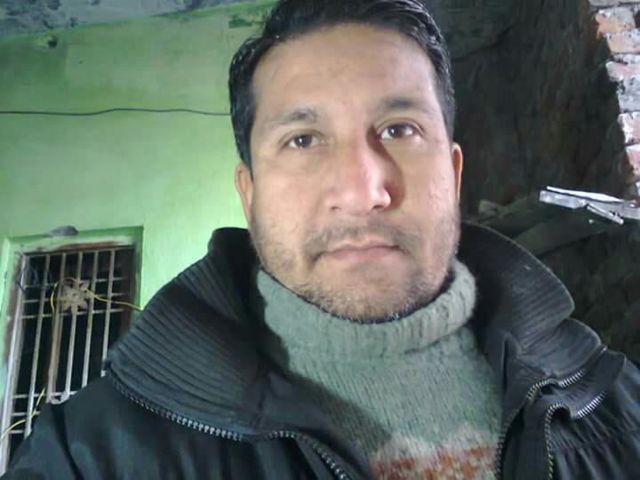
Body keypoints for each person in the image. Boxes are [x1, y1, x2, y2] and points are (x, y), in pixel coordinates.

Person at [4, 0, 640, 478]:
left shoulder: (616, 406)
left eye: (399, 129)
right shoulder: (93, 455)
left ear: (452, 174)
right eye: (303, 140)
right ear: (249, 194)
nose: (363, 190)